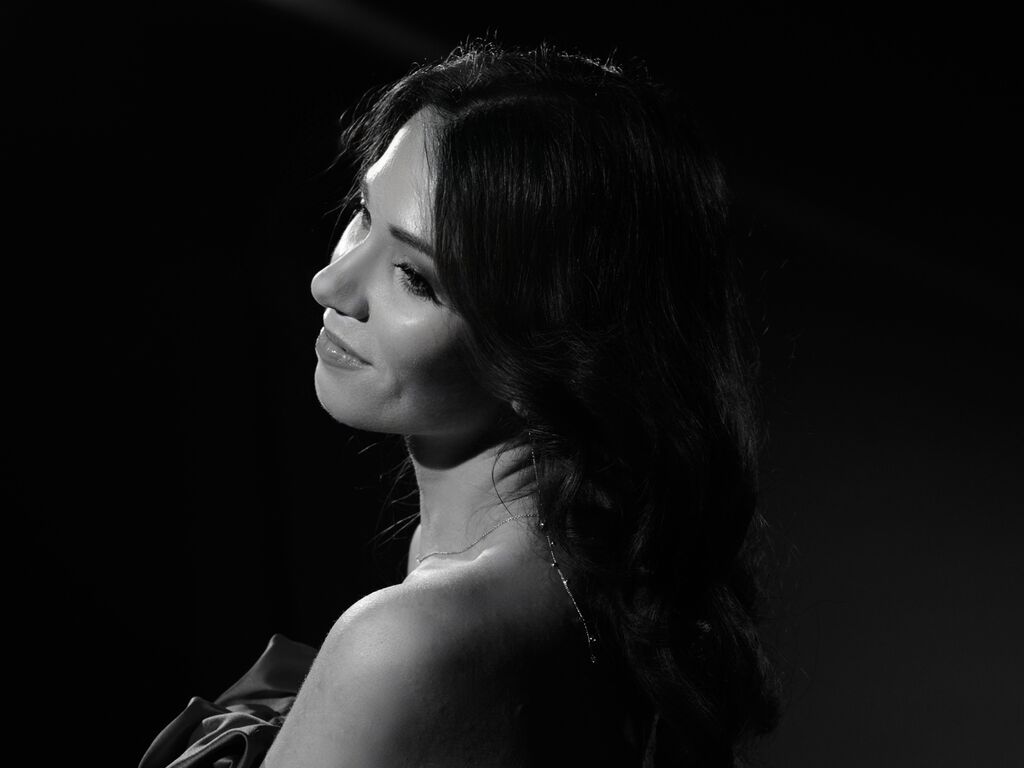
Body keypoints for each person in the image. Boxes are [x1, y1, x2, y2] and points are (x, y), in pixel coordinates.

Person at [140, 41, 780, 768]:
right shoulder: (583, 583)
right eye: (363, 215)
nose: (330, 283)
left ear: (548, 346)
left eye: (415, 276)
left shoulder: (413, 640)